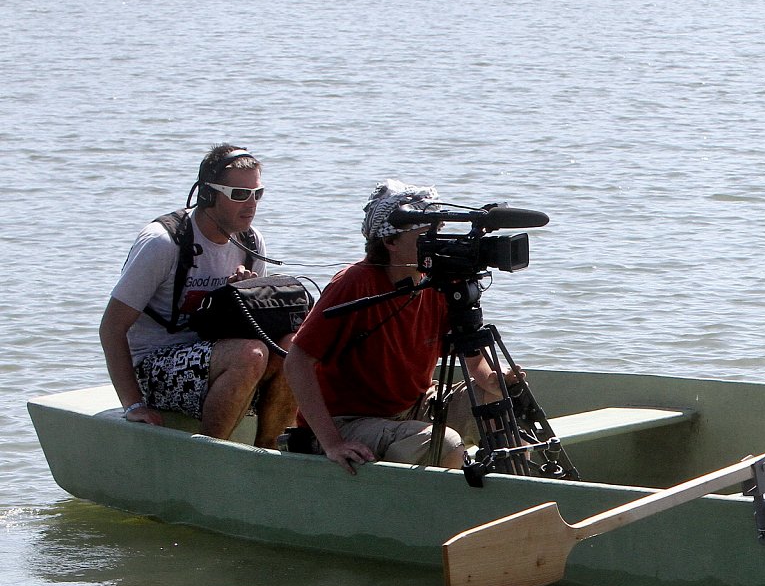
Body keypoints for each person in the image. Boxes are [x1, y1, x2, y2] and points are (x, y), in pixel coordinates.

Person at [283, 179, 503, 474]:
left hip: (414, 404)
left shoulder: (440, 281)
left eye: (437, 232)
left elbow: (472, 357)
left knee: (504, 400)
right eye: (425, 235)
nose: (436, 243)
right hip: (349, 420)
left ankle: (512, 496)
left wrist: (493, 380)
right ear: (390, 242)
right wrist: (332, 442)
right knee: (446, 444)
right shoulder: (354, 282)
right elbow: (297, 361)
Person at [99, 144, 295, 446]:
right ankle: (207, 455)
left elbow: (256, 334)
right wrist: (134, 405)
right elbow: (111, 328)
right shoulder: (163, 243)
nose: (251, 204)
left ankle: (269, 452)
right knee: (250, 354)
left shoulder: (252, 243)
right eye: (239, 194)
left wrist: (240, 298)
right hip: (154, 368)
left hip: (218, 359)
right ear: (207, 195)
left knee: (293, 347)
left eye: (257, 194)